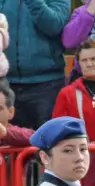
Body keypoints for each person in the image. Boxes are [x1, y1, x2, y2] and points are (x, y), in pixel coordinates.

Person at [0, 0, 70, 130]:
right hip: (7, 83)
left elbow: (54, 25)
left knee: (47, 141)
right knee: (9, 142)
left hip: (46, 85)